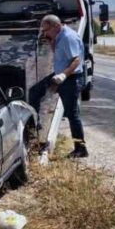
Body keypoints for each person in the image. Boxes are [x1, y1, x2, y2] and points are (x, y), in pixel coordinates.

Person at [28, 14, 88, 158]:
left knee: (72, 114)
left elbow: (76, 60)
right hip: (60, 75)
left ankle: (81, 149)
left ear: (55, 26)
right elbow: (58, 54)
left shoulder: (68, 37)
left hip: (71, 78)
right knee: (35, 92)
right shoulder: (58, 36)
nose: (45, 33)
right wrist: (51, 40)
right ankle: (35, 128)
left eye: (46, 30)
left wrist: (63, 76)